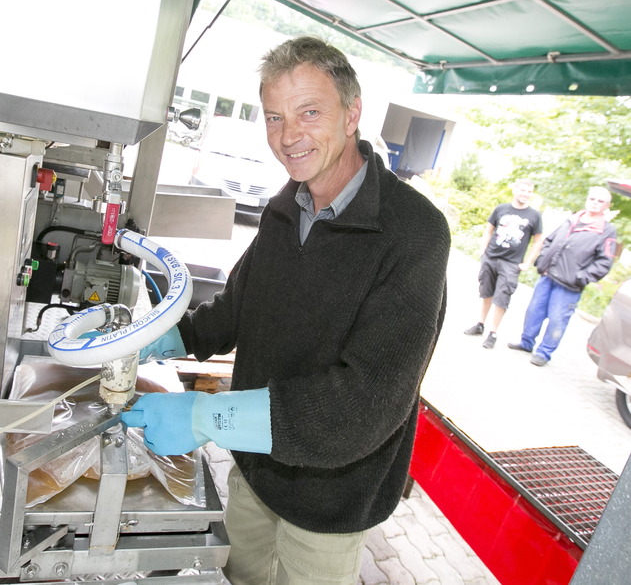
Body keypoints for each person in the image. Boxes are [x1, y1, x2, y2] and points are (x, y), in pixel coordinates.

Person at [123, 36, 450, 585]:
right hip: (255, 466)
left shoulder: (414, 232)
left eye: (310, 112)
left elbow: (363, 404)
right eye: (274, 117)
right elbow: (238, 308)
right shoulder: (286, 203)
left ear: (353, 113)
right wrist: (166, 339)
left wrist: (205, 417)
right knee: (242, 575)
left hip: (330, 495)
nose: (288, 135)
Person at [508, 186, 617, 366]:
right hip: (548, 275)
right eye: (592, 199)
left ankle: (544, 353)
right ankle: (526, 343)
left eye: (600, 201)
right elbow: (550, 239)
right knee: (534, 311)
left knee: (558, 319)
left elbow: (604, 262)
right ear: (587, 199)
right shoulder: (573, 218)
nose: (595, 203)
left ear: (607, 206)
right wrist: (542, 259)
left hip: (569, 284)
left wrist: (581, 277)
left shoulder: (606, 230)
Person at [463, 179, 543, 349]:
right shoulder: (501, 209)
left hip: (511, 264)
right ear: (515, 190)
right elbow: (489, 230)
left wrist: (527, 263)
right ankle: (480, 324)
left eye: (529, 191)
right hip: (491, 258)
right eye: (523, 190)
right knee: (486, 293)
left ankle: (493, 333)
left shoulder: (534, 216)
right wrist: (483, 251)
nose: (526, 194)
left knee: (502, 298)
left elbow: (538, 241)